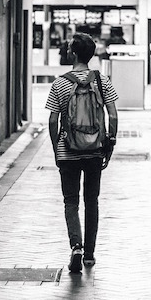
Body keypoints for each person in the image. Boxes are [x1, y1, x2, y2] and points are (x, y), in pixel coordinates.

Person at [46, 32, 119, 273]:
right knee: (92, 201)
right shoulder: (102, 81)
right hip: (95, 150)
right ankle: (89, 254)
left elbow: (53, 120)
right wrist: (110, 142)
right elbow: (113, 115)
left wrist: (57, 148)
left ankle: (75, 246)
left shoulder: (60, 83)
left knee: (71, 201)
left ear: (74, 53)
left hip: (68, 151)